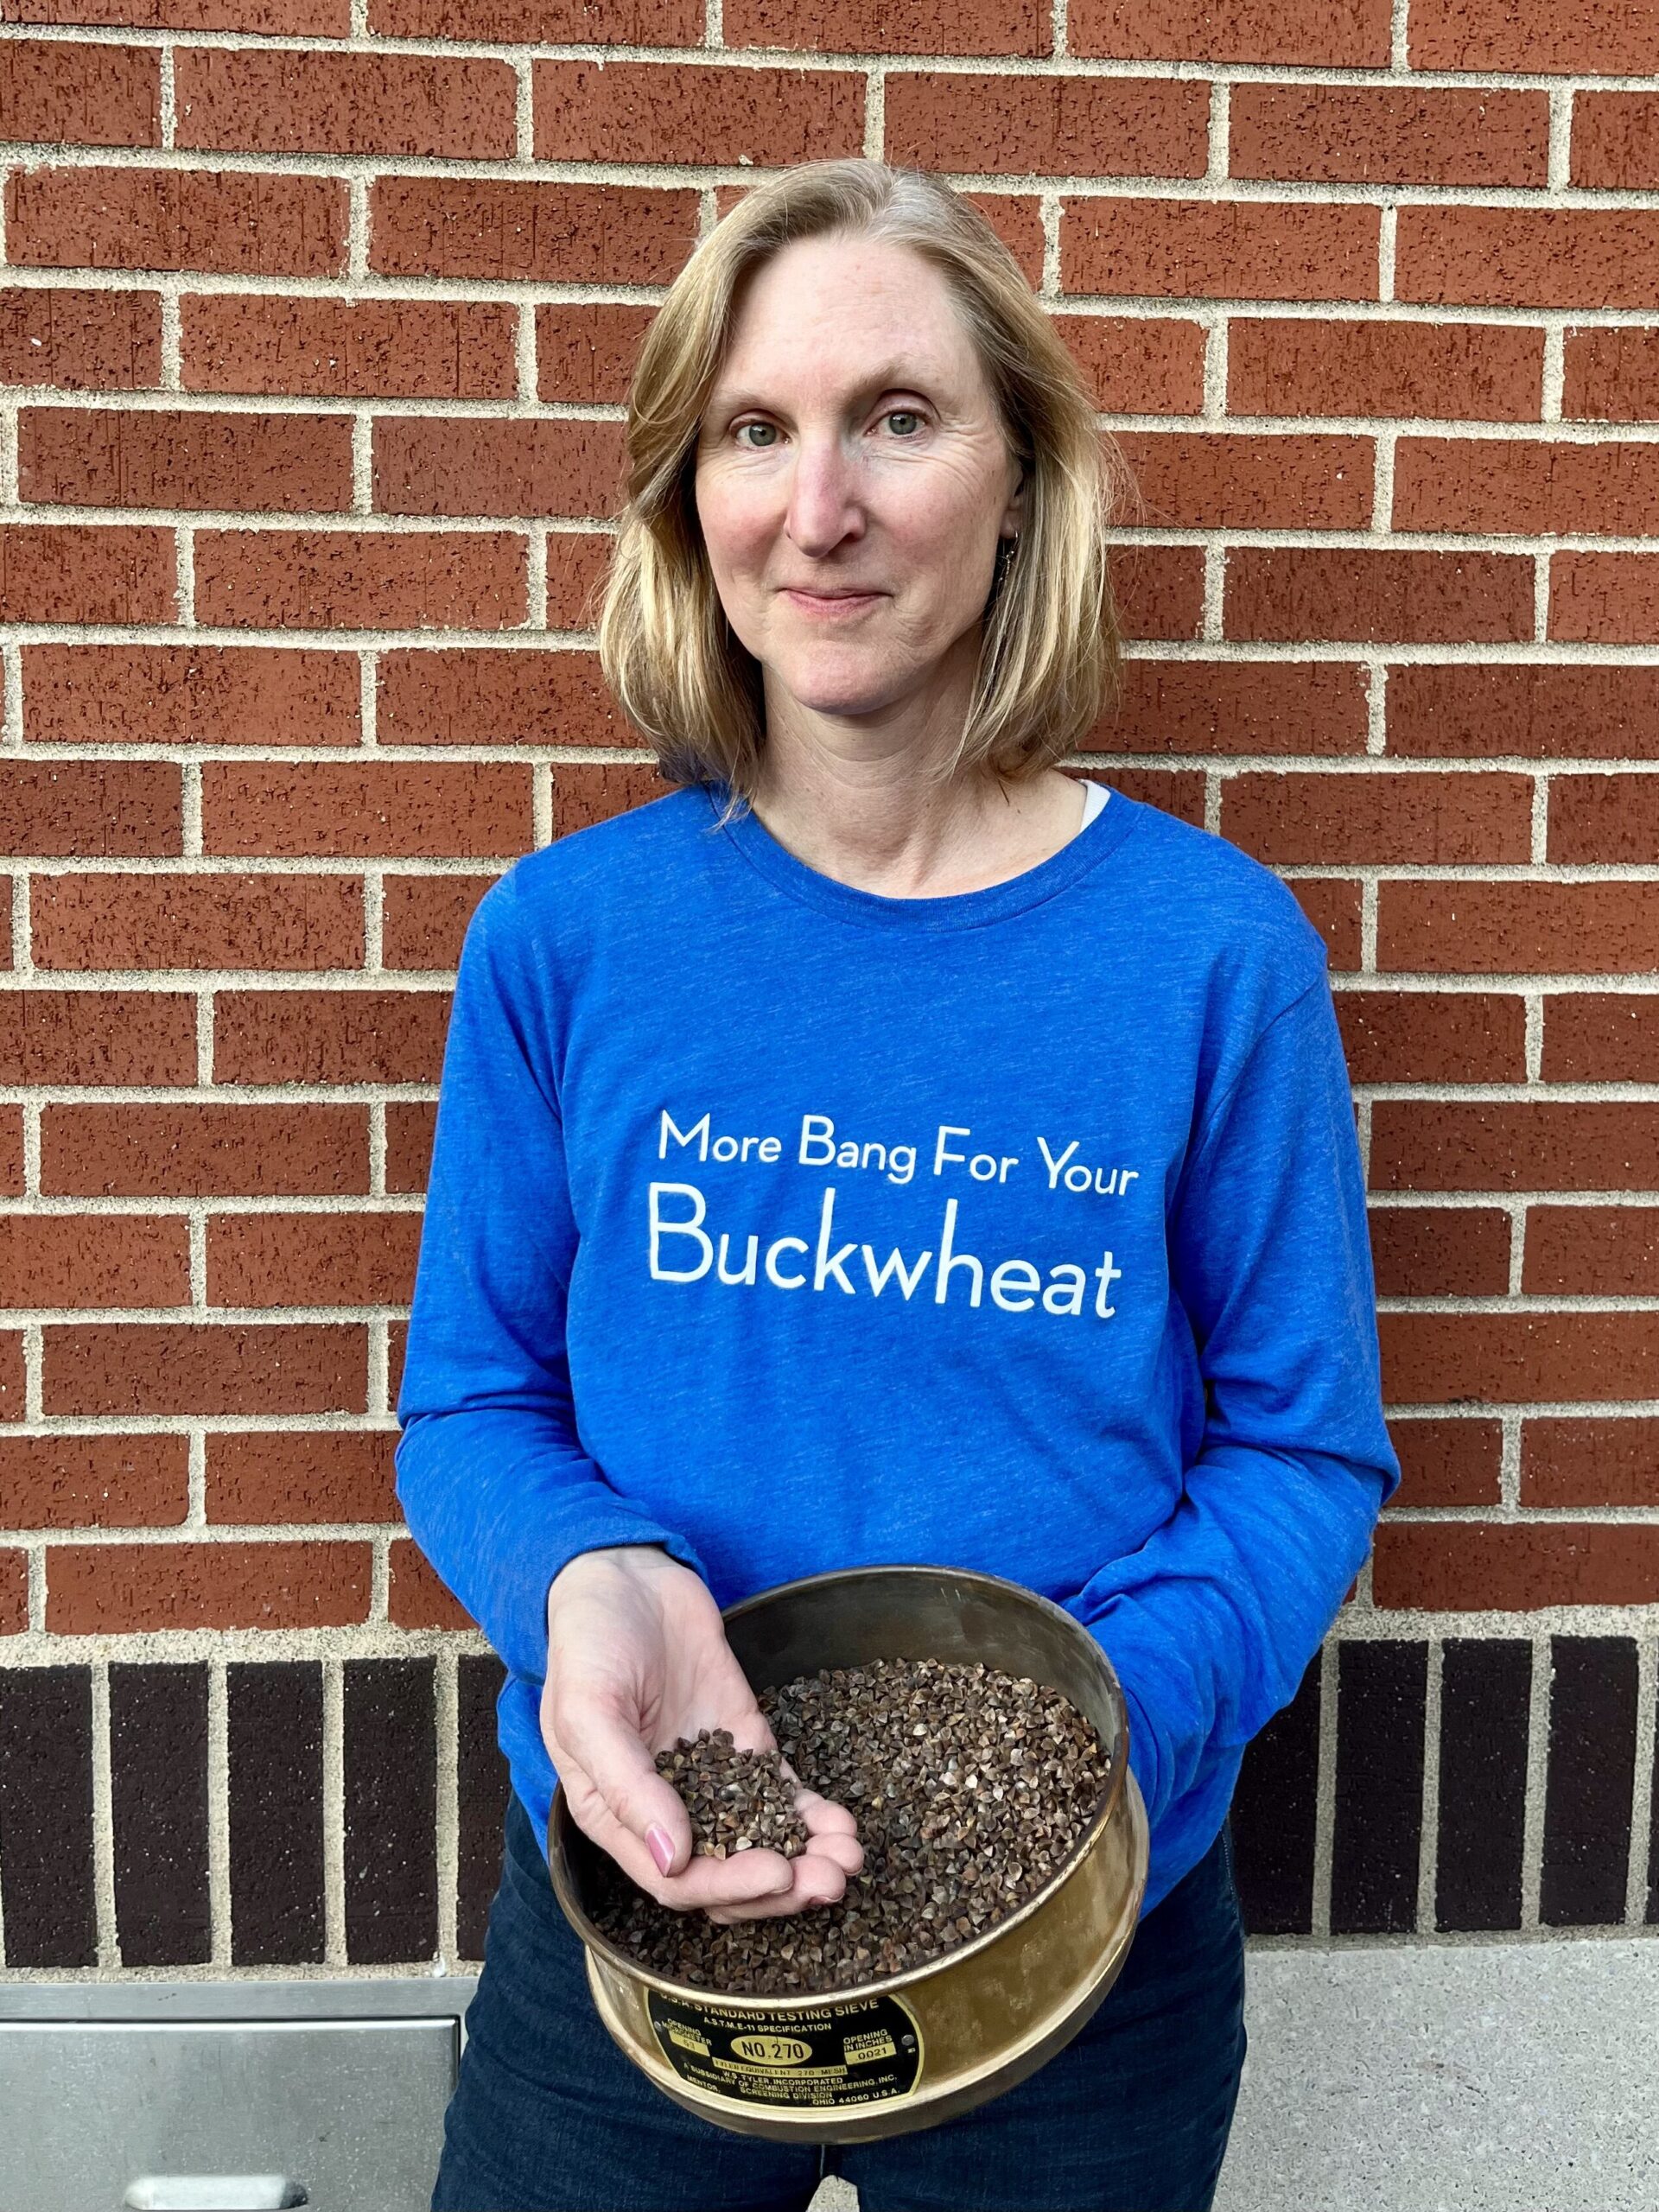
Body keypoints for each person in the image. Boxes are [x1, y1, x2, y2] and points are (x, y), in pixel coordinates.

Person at [395, 156, 1398, 2212]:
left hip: (1085, 1941)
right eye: (754, 430)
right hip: (643, 1902)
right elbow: (475, 1401)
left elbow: (1305, 1448)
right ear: (690, 495)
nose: (820, 506)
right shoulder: (567, 940)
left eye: (900, 418)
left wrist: (1101, 1725)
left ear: (1022, 482)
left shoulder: (1212, 955)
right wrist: (592, 1578)